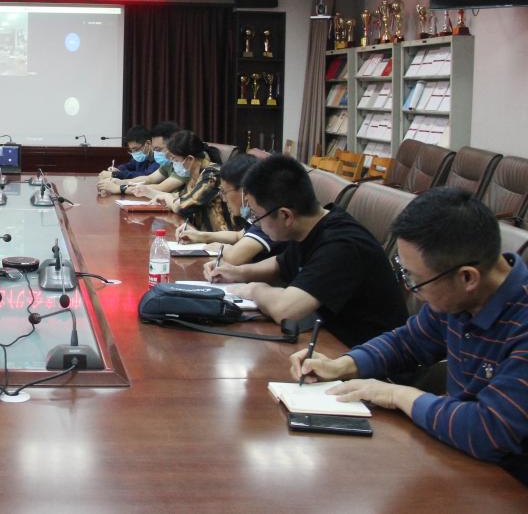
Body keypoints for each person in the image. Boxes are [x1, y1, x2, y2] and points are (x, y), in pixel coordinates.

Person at [289, 188, 528, 484]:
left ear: (468, 277)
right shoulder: (462, 296)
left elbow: (489, 431)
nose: (410, 288)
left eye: (415, 280)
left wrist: (396, 394)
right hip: (462, 460)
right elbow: (407, 342)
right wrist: (342, 365)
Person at [204, 154, 407, 347]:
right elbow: (280, 263)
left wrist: (252, 290)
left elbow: (286, 310)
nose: (255, 224)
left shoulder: (342, 245)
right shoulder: (310, 227)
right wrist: (237, 272)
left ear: (285, 216)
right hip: (329, 340)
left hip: (364, 355)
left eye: (257, 217)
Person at [175, 154, 286, 265]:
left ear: (244, 191)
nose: (223, 199)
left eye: (224, 192)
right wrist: (201, 236)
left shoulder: (268, 215)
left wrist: (224, 248)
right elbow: (238, 236)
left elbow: (235, 257)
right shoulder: (257, 212)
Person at [132, 130, 230, 231]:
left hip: (218, 236)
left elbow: (184, 206)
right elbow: (182, 196)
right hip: (199, 233)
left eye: (175, 160)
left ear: (190, 159)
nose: (174, 164)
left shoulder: (212, 175)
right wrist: (149, 192)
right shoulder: (195, 174)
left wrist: (167, 197)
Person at [97, 121, 184, 197]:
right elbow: (149, 179)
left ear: (173, 145)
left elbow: (160, 188)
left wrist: (120, 188)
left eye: (158, 149)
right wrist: (118, 182)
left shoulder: (184, 164)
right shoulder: (168, 163)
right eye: (154, 148)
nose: (154, 152)